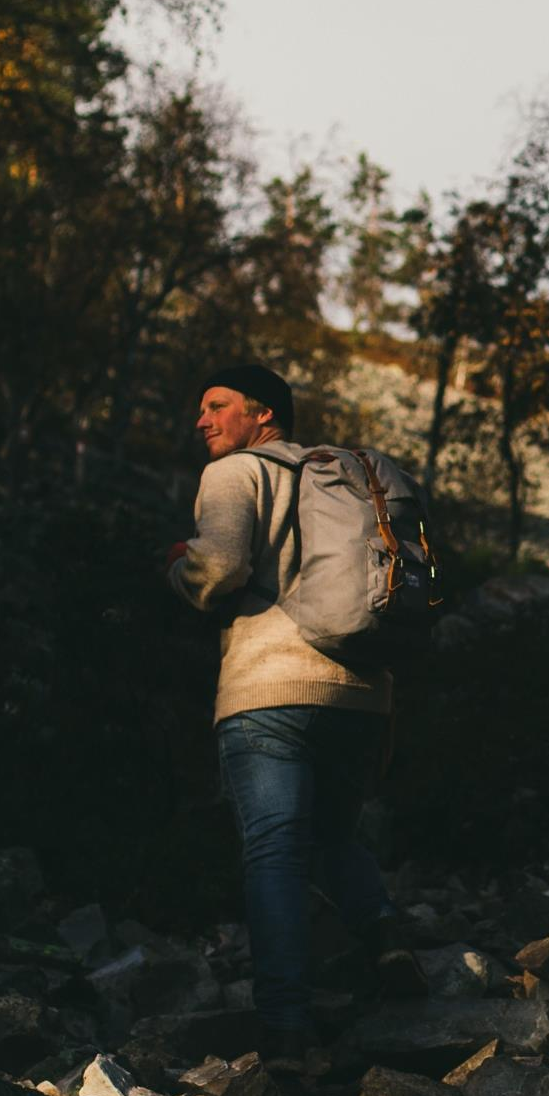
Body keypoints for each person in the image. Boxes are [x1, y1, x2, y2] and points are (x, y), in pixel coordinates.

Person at [165, 364, 392, 1054]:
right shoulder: (345, 479)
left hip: (271, 691)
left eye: (216, 406)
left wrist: (175, 566)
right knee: (330, 836)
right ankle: (386, 942)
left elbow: (222, 566)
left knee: (274, 853)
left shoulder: (236, 473)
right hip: (363, 695)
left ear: (262, 416)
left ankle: (287, 1028)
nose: (201, 420)